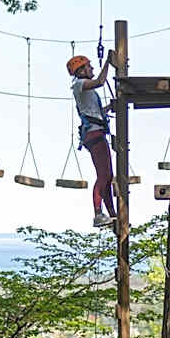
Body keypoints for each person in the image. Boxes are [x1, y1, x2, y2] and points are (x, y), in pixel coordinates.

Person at [67, 51, 116, 228]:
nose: (92, 68)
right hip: (94, 134)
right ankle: (98, 214)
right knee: (103, 175)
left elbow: (96, 113)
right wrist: (108, 63)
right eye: (89, 66)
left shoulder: (87, 90)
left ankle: (112, 214)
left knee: (108, 176)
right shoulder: (79, 85)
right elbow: (101, 81)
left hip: (96, 133)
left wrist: (110, 107)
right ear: (81, 71)